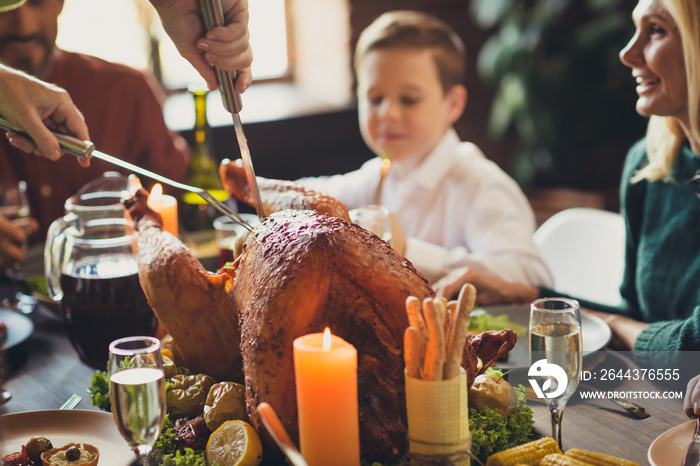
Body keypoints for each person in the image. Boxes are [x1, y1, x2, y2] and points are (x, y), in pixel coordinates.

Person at [436, 0, 700, 357]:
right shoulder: (648, 164)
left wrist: (617, 325)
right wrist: (533, 297)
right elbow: (642, 321)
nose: (627, 53)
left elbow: (690, 345)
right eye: (635, 28)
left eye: (656, 30)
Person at [296, 10, 552, 288]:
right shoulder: (379, 176)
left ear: (453, 104)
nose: (387, 113)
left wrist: (409, 251)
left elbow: (532, 276)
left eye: (408, 99)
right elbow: (313, 195)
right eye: (374, 98)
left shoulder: (480, 184)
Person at [0, 0, 252, 268]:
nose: (23, 26)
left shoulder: (125, 90)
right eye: (3, 7)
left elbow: (181, 206)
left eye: (37, 2)